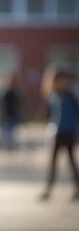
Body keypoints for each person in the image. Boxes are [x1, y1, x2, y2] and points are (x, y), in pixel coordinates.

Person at [41, 68, 79, 201]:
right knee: (52, 162)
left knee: (71, 160)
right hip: (57, 132)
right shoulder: (53, 96)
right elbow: (48, 114)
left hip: (69, 132)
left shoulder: (71, 95)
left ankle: (77, 188)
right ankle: (48, 189)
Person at [0, 72, 21, 151]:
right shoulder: (5, 93)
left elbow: (19, 105)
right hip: (6, 115)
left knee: (11, 133)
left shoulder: (16, 93)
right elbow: (1, 105)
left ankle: (10, 146)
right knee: (6, 133)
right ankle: (7, 146)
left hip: (13, 115)